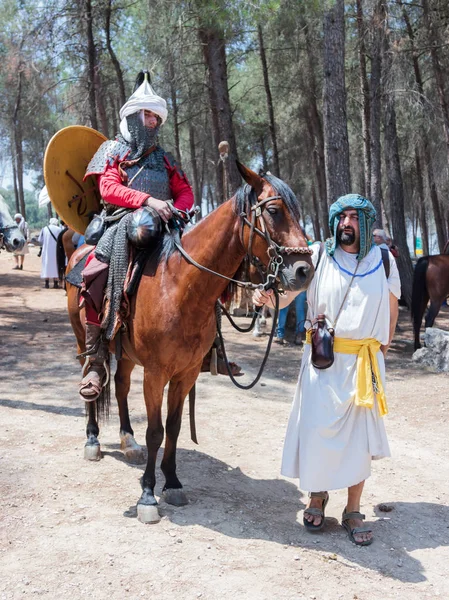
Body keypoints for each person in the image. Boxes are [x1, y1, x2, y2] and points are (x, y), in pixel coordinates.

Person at [253, 194, 400, 546]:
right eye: (341, 217)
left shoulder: (382, 260)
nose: (346, 223)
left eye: (354, 217)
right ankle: (317, 496)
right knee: (317, 431)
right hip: (323, 360)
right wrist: (269, 298)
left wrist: (384, 347)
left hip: (363, 364)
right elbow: (289, 295)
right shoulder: (319, 255)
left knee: (359, 441)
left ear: (365, 223)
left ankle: (353, 509)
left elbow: (392, 307)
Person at [78, 71, 194, 402]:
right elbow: (109, 189)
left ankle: (210, 346)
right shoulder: (113, 149)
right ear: (133, 116)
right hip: (122, 224)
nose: (153, 121)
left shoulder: (164, 157)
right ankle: (96, 360)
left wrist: (177, 208)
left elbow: (185, 191)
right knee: (95, 273)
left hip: (164, 224)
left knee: (199, 268)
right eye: (148, 115)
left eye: (157, 116)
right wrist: (148, 201)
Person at [38, 217, 63, 288]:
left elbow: (40, 240)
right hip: (56, 250)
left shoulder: (44, 229)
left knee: (46, 265)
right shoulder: (59, 229)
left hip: (46, 251)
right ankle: (55, 283)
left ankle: (46, 283)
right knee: (56, 265)